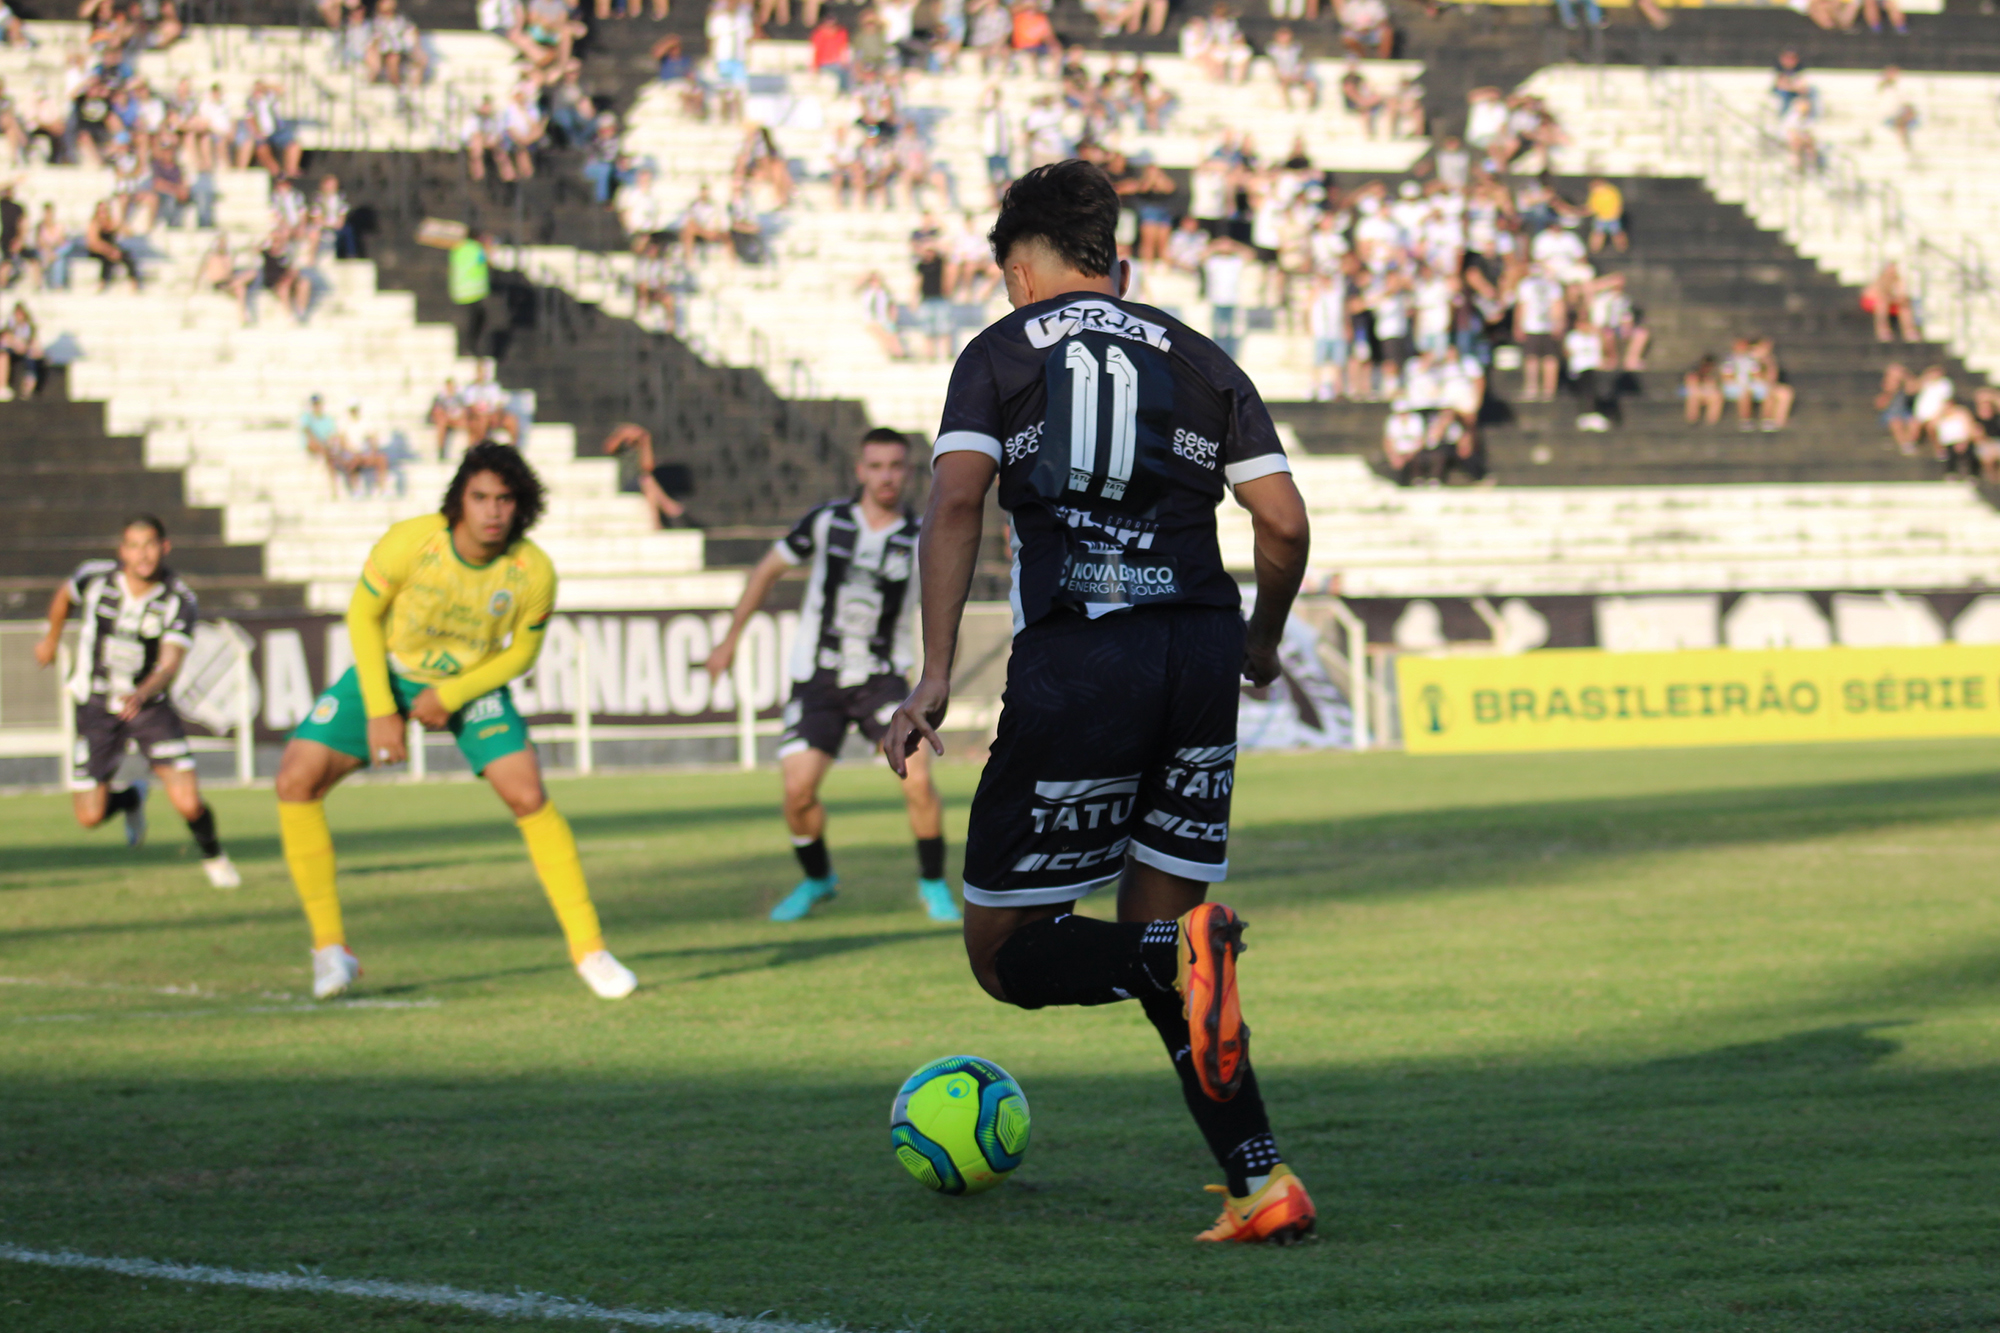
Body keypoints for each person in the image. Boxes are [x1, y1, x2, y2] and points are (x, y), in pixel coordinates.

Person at [884, 161, 1316, 1245]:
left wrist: (934, 674)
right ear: (1110, 262)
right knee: (1165, 928)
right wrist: (1258, 639)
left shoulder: (995, 354)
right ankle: (1259, 1181)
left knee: (1006, 950)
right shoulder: (1200, 356)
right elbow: (1283, 523)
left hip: (1084, 655)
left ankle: (1172, 960)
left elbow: (952, 506)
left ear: (1020, 272)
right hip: (1198, 655)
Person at [273, 445, 638, 1002]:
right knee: (295, 779)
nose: (492, 511)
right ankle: (330, 950)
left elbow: (520, 655)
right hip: (390, 673)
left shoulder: (532, 570)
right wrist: (380, 711)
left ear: (521, 506)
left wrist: (452, 694)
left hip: (473, 683)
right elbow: (362, 615)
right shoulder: (411, 541)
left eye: (505, 500)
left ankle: (591, 952)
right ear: (458, 502)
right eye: (480, 498)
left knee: (527, 794)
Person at [704, 429, 958, 925]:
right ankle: (818, 878)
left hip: (883, 682)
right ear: (860, 471)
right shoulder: (826, 523)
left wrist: (940, 675)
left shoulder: (920, 535)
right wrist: (730, 638)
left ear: (907, 472)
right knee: (797, 793)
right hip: (817, 679)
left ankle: (933, 885)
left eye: (895, 466)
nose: (886, 476)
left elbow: (944, 606)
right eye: (876, 466)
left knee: (918, 779)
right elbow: (765, 572)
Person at [33, 515, 240, 890]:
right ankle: (130, 798)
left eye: (150, 545)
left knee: (188, 802)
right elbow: (65, 595)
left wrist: (143, 691)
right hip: (95, 704)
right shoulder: (95, 578)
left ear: (165, 547)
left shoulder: (179, 598)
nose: (142, 555)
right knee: (89, 816)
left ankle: (214, 857)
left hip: (149, 707)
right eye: (134, 546)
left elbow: (171, 661)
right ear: (122, 550)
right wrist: (51, 637)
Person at [601, 422, 692, 527]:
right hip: (623, 482)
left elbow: (648, 467)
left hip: (638, 482)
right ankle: (668, 507)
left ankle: (658, 522)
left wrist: (645, 442)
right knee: (647, 481)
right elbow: (608, 449)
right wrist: (623, 435)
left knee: (648, 483)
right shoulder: (619, 447)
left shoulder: (639, 448)